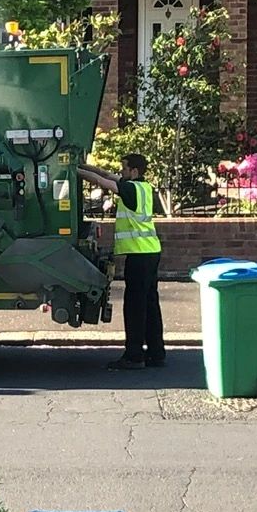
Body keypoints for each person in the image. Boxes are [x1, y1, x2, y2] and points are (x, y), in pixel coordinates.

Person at [78, 153, 165, 370]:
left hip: (139, 256)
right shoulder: (143, 187)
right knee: (150, 304)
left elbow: (102, 181)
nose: (122, 172)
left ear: (134, 171)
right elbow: (106, 174)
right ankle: (156, 352)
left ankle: (134, 356)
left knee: (134, 307)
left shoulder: (130, 189)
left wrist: (72, 171)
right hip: (151, 252)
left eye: (124, 169)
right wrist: (84, 165)